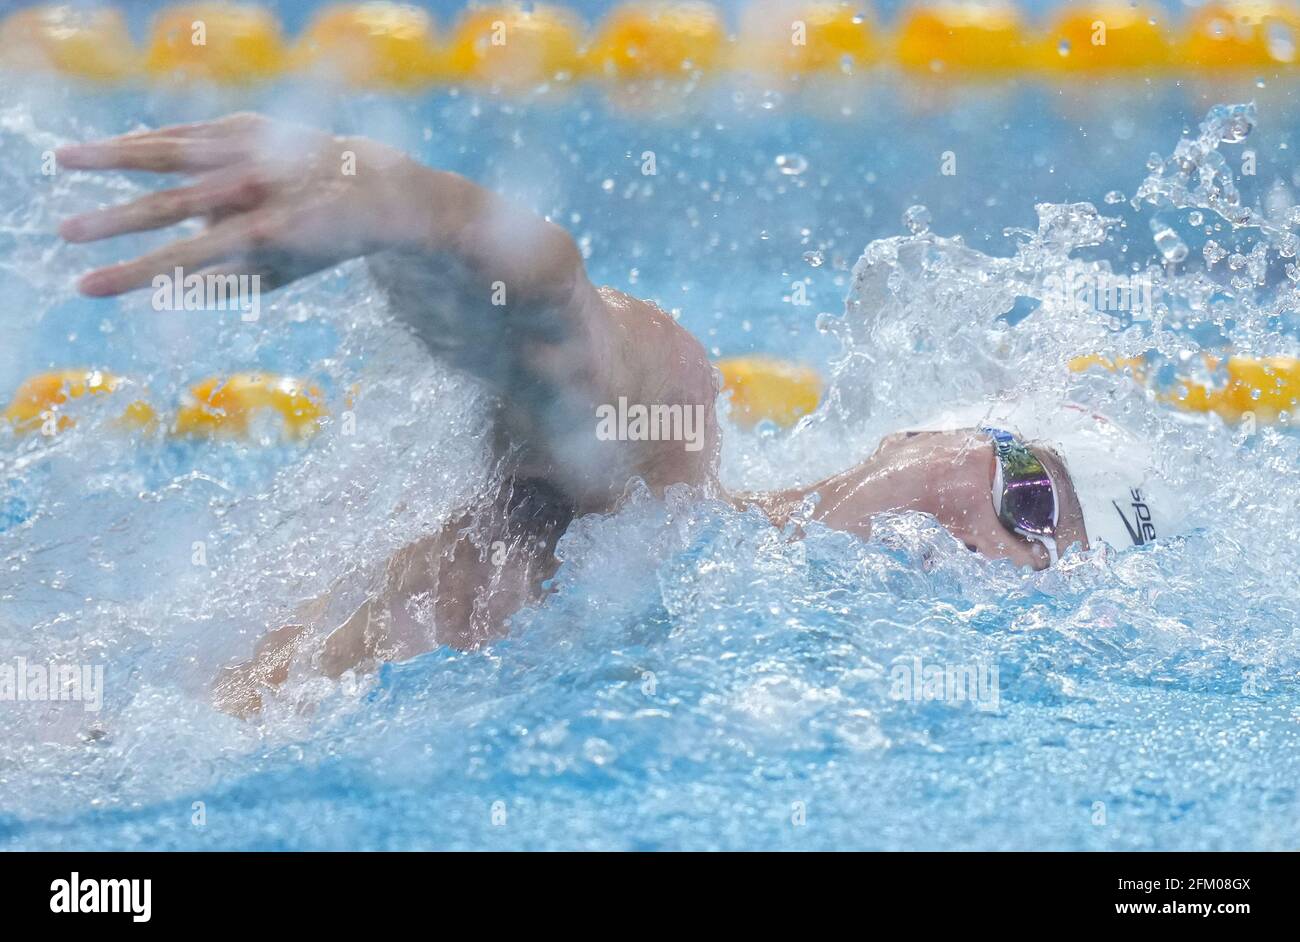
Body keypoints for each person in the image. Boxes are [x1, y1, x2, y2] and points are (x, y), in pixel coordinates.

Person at [54, 114, 1184, 715]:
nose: (998, 550)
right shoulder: (670, 468)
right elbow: (547, 319)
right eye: (1029, 492)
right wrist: (409, 205)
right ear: (924, 434)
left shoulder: (780, 688)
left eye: (1040, 571)